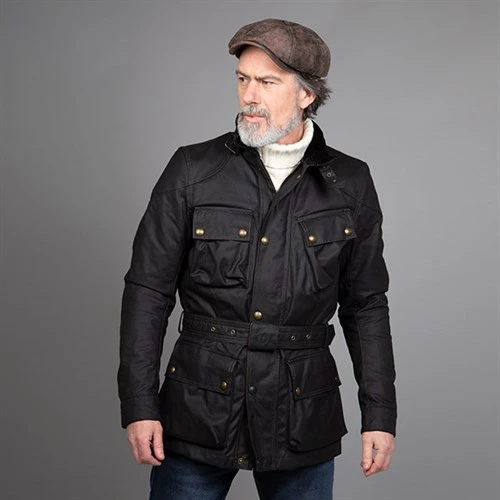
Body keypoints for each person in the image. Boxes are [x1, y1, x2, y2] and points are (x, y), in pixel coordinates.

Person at [118, 18, 397, 500]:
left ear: (306, 94)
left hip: (302, 414)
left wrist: (380, 415)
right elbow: (148, 292)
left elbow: (366, 306)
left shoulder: (350, 182)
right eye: (243, 79)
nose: (249, 96)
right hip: (198, 410)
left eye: (267, 82)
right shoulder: (192, 170)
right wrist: (139, 404)